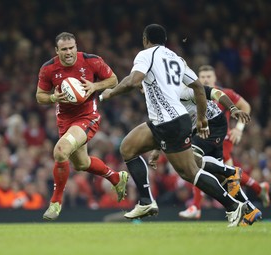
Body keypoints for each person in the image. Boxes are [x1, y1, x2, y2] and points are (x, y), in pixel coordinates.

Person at [100, 24, 246, 227]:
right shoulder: (175, 58)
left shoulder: (146, 54)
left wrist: (110, 93)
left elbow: (133, 81)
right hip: (166, 121)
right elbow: (197, 87)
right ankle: (146, 201)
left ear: (145, 39)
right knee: (128, 147)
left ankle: (233, 206)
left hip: (170, 123)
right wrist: (202, 117)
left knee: (189, 171)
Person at [36, 32, 128, 220]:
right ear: (57, 51)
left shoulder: (91, 61)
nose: (68, 52)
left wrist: (94, 86)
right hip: (65, 121)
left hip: (87, 116)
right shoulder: (48, 69)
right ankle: (116, 177)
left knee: (61, 151)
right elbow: (40, 96)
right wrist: (53, 97)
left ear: (76, 47)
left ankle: (55, 202)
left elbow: (114, 80)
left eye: (71, 48)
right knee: (81, 163)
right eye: (64, 49)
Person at [146, 84, 261, 226]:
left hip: (212, 124)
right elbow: (163, 127)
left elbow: (216, 93)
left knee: (192, 158)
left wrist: (232, 109)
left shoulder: (179, 88)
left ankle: (232, 171)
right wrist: (157, 150)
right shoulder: (159, 98)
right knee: (220, 178)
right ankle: (250, 209)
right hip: (200, 128)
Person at [179, 65, 269, 220]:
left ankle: (196, 206)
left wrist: (239, 129)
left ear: (215, 78)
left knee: (198, 162)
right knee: (221, 175)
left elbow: (245, 106)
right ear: (198, 78)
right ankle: (253, 200)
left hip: (221, 136)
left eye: (209, 76)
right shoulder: (194, 92)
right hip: (203, 135)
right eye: (203, 77)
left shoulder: (224, 93)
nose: (206, 79)